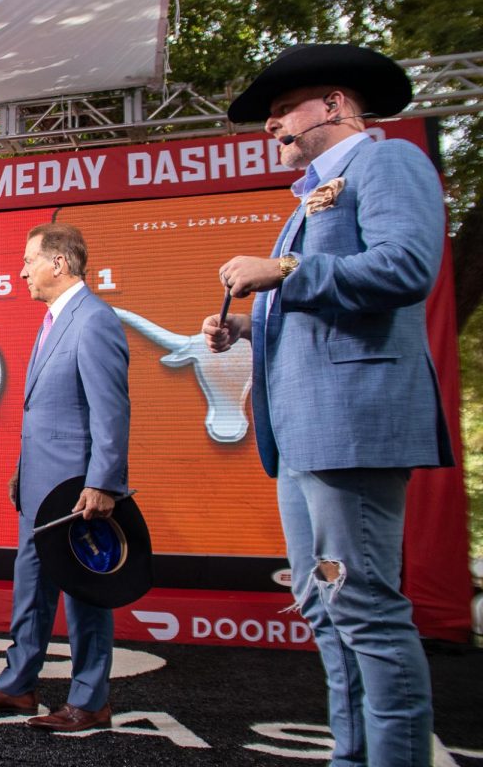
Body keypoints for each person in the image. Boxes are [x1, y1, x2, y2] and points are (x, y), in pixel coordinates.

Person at [202, 44, 453, 767]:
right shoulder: (313, 193)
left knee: (366, 609)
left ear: (336, 104)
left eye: (283, 109)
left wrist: (281, 269)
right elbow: (323, 297)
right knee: (325, 607)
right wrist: (248, 325)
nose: (270, 126)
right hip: (307, 429)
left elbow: (406, 266)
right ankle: (353, 757)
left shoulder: (387, 163)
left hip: (352, 424)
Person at [0, 222, 130, 732]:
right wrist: (23, 471)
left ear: (59, 263)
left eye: (29, 259)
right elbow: (51, 412)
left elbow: (110, 413)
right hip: (38, 491)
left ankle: (90, 700)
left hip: (78, 494)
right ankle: (17, 686)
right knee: (30, 590)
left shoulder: (94, 320)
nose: (22, 269)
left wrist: (102, 483)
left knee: (84, 596)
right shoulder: (55, 320)